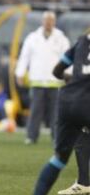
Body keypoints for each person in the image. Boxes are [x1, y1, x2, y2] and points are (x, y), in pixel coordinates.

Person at [18, 30, 90, 195]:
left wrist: (75, 81)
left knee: (59, 159)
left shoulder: (82, 40)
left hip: (67, 100)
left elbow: (57, 71)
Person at [15, 11, 70, 145]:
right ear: (42, 21)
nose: (48, 23)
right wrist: (20, 73)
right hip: (37, 80)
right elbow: (24, 57)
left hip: (55, 81)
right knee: (35, 111)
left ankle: (56, 138)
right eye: (46, 20)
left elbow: (68, 59)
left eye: (51, 20)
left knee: (56, 113)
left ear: (54, 22)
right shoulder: (32, 38)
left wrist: (69, 74)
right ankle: (31, 137)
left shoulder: (62, 39)